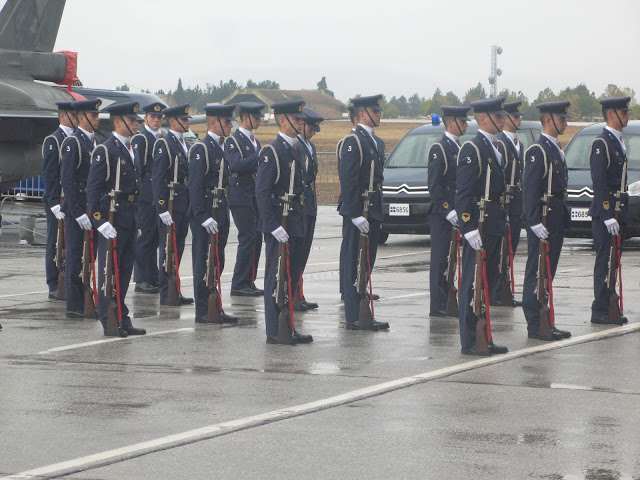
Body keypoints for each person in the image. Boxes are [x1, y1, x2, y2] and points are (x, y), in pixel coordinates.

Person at [255, 100, 313, 345]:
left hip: (296, 219)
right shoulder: (272, 151)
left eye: (301, 120)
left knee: (291, 274)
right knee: (275, 276)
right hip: (280, 222)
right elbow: (262, 192)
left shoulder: (299, 148)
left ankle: (287, 325)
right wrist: (272, 225)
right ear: (282, 121)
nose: (301, 123)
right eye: (297, 119)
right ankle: (275, 329)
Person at [455, 97, 509, 356]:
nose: (502, 119)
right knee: (472, 282)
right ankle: (469, 339)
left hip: (493, 222)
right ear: (484, 118)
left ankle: (484, 334)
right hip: (479, 223)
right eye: (497, 116)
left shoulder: (495, 147)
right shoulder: (473, 149)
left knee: (487, 281)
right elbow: (463, 193)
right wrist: (468, 227)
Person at [86, 102, 146, 337]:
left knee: (125, 269)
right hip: (112, 217)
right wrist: (100, 221)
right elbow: (93, 190)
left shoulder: (133, 149)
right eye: (132, 121)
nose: (136, 124)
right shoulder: (106, 150)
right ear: (118, 122)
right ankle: (108, 318)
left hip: (129, 216)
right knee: (109, 270)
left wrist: (137, 219)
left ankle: (122, 315)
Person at [521, 101, 573, 340]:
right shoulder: (538, 151)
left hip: (555, 218)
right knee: (536, 270)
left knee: (548, 272)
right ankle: (535, 322)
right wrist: (533, 221)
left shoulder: (556, 150)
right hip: (542, 220)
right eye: (562, 119)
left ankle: (546, 319)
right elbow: (530, 189)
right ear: (549, 119)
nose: (565, 122)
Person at [338, 94, 389, 331]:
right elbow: (348, 181)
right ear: (361, 115)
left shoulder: (373, 141)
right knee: (353, 264)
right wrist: (355, 213)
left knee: (366, 262)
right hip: (359, 211)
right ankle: (354, 315)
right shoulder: (354, 142)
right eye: (375, 111)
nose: (379, 114)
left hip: (373, 207)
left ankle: (362, 309)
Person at [188, 104, 238, 324]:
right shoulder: (202, 148)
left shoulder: (222, 147)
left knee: (217, 261)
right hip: (207, 212)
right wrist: (201, 215)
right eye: (227, 122)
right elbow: (195, 186)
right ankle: (202, 309)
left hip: (221, 210)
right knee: (203, 261)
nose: (230, 126)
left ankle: (214, 305)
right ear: (213, 123)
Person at [589, 97, 631, 325]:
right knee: (604, 260)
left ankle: (610, 305)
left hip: (619, 210)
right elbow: (599, 183)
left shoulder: (618, 142)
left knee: (614, 260)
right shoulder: (602, 143)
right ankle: (600, 309)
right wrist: (606, 215)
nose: (627, 115)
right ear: (611, 114)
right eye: (623, 112)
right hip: (606, 213)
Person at [59, 99, 100, 318]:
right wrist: (77, 212)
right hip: (78, 207)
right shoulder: (73, 143)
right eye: (94, 116)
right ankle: (74, 305)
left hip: (91, 206)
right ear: (82, 118)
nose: (98, 119)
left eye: (98, 115)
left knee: (89, 257)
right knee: (75, 257)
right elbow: (68, 180)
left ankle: (86, 298)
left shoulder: (96, 142)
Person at [427, 106, 470, 317]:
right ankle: (438, 304)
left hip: (456, 213)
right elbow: (434, 186)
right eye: (462, 122)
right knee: (440, 259)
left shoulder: (459, 147)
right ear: (451, 122)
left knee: (451, 259)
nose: (466, 125)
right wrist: (447, 210)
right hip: (442, 215)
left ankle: (448, 300)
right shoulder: (440, 148)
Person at [152, 104, 194, 306]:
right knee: (167, 247)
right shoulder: (165, 144)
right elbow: (158, 177)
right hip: (170, 202)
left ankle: (174, 287)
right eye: (184, 120)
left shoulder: (184, 143)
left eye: (187, 120)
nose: (187, 122)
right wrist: (160, 207)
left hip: (182, 202)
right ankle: (165, 290)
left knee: (178, 246)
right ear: (173, 121)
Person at [227, 102, 265, 297]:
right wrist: (259, 158)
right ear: (245, 118)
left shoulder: (254, 141)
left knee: (257, 238)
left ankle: (249, 280)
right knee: (247, 237)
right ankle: (239, 282)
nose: (259, 121)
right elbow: (236, 164)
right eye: (255, 117)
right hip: (240, 195)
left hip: (254, 195)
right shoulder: (234, 141)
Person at [491, 101, 525, 307]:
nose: (520, 119)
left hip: (516, 203)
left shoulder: (517, 142)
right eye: (516, 117)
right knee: (502, 249)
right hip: (506, 201)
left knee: (510, 248)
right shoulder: (502, 142)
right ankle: (498, 291)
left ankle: (505, 290)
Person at [42, 101, 76, 301]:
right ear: (63, 116)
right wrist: (54, 201)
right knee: (55, 241)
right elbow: (50, 173)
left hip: (70, 198)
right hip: (57, 199)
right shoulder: (54, 140)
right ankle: (54, 283)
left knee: (70, 241)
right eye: (72, 115)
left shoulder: (74, 139)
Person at [132, 101, 166, 294]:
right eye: (153, 117)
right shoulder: (142, 139)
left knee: (153, 238)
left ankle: (151, 277)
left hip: (154, 193)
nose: (156, 120)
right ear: (145, 118)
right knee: (145, 237)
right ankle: (141, 278)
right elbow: (140, 167)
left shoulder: (158, 138)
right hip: (146, 193)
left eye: (159, 118)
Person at [293, 107, 324, 311]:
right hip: (300, 204)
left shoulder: (310, 147)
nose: (313, 132)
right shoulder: (295, 146)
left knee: (304, 252)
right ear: (301, 125)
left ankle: (299, 294)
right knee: (296, 254)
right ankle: (293, 295)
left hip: (309, 203)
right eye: (311, 128)